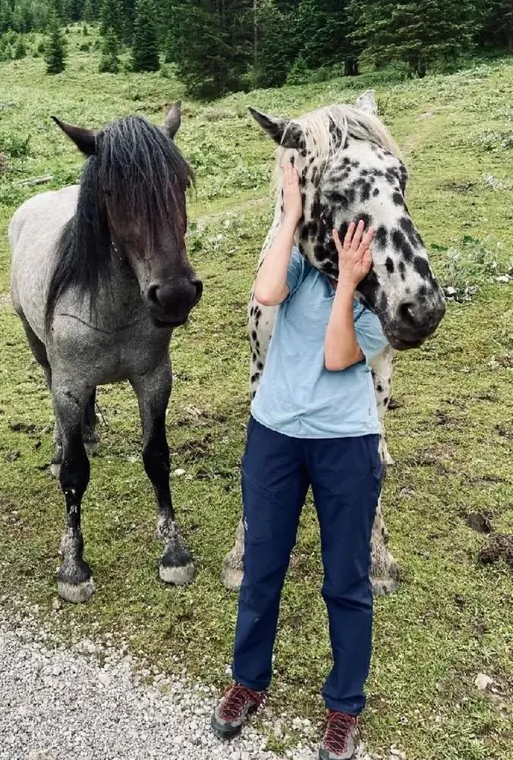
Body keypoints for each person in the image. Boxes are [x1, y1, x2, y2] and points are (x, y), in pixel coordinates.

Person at [211, 163, 388, 760]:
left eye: (355, 230)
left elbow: (338, 357)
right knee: (262, 568)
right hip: (275, 435)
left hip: (346, 443)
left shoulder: (382, 290)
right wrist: (289, 216)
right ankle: (247, 682)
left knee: (346, 580)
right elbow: (265, 293)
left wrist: (350, 283)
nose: (343, 238)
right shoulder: (299, 262)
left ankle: (344, 708)